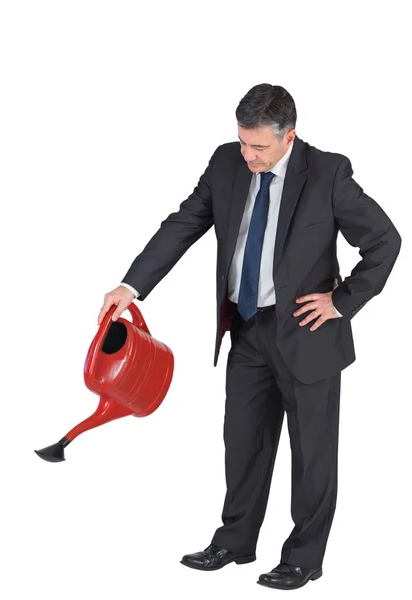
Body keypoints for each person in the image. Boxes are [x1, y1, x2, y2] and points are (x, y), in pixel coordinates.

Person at [97, 83, 401, 590]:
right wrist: (132, 285)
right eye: (242, 142)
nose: (248, 155)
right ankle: (235, 540)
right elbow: (183, 223)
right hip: (247, 330)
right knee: (242, 443)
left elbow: (385, 240)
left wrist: (342, 302)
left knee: (313, 455)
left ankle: (304, 557)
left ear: (289, 137)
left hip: (308, 335)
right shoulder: (225, 163)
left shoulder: (327, 172)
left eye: (258, 146)